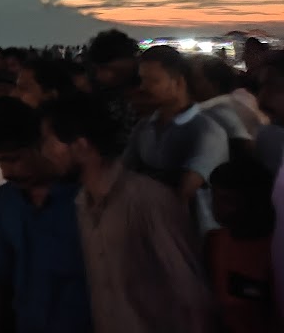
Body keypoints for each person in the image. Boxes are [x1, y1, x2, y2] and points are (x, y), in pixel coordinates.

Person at [43, 92, 215, 333]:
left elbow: (192, 298)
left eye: (49, 142)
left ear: (81, 146)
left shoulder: (148, 200)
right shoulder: (83, 203)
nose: (45, 152)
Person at [0, 97, 90, 333]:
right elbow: (1, 277)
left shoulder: (86, 200)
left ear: (41, 145)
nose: (7, 173)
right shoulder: (6, 199)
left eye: (13, 159)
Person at [125, 45, 228, 234]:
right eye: (142, 80)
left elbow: (182, 193)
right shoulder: (144, 127)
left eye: (153, 81)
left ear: (179, 83)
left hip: (193, 239)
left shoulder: (207, 131)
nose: (143, 88)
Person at [204, 156, 277, 333]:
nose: (216, 207)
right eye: (214, 197)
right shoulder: (214, 240)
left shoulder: (273, 250)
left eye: (227, 200)